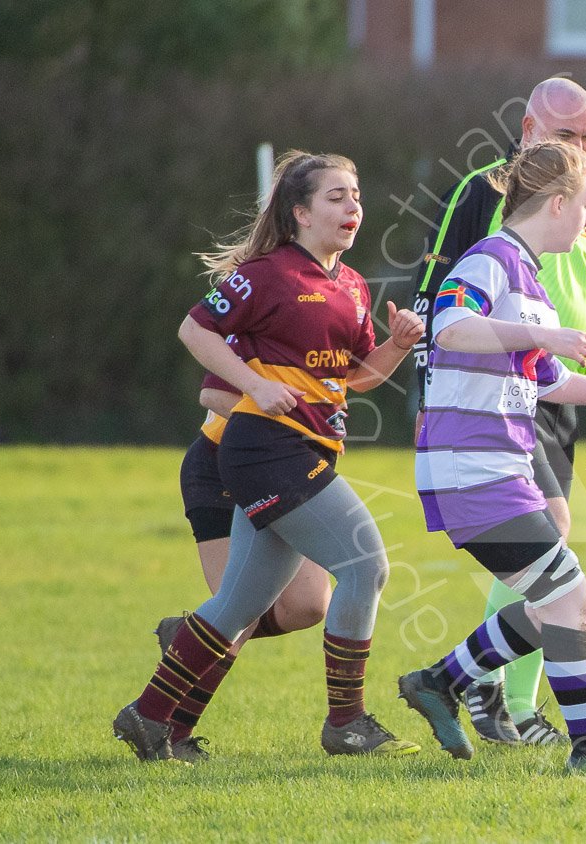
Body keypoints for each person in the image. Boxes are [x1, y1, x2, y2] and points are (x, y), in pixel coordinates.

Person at [113, 150, 426, 762]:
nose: (352, 207)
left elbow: (358, 377)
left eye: (356, 195)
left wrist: (396, 345)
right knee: (366, 565)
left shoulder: (353, 285)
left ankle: (150, 717)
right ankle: (347, 722)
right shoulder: (268, 274)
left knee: (241, 605)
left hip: (305, 449)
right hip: (266, 449)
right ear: (300, 212)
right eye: (335, 197)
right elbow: (193, 330)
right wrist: (255, 387)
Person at [395, 141, 586, 771]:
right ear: (556, 204)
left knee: (552, 598)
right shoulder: (491, 260)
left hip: (502, 466)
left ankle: (441, 681)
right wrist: (539, 332)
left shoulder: (526, 275)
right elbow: (448, 327)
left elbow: (550, 381)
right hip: (470, 468)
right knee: (570, 595)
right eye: (584, 205)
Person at [409, 78, 586, 747]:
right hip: (489, 413)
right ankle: (519, 710)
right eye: (567, 136)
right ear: (529, 129)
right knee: (558, 567)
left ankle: (465, 681)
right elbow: (440, 309)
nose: (581, 148)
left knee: (554, 567)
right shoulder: (483, 196)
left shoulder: (583, 207)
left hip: (541, 392)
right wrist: (438, 408)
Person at [153, 359, 332, 762]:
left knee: (308, 605)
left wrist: (399, 343)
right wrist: (275, 414)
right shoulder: (269, 312)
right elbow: (212, 394)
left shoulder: (338, 316)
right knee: (241, 612)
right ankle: (171, 732)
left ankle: (192, 635)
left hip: (288, 470)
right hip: (221, 468)